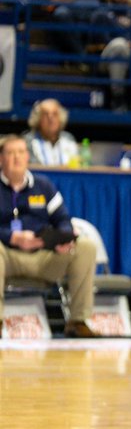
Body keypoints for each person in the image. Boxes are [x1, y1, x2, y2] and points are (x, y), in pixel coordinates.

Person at [0, 135, 98, 337]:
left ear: (28, 157)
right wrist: (12, 237)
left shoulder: (43, 186)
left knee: (86, 247)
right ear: (1, 159)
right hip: (7, 255)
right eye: (10, 153)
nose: (16, 158)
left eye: (20, 152)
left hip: (43, 256)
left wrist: (62, 239)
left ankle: (77, 321)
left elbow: (63, 218)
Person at [24, 99, 80, 166]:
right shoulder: (28, 140)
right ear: (38, 118)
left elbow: (76, 166)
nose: (50, 118)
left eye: (55, 114)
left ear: (60, 118)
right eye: (45, 114)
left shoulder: (69, 139)